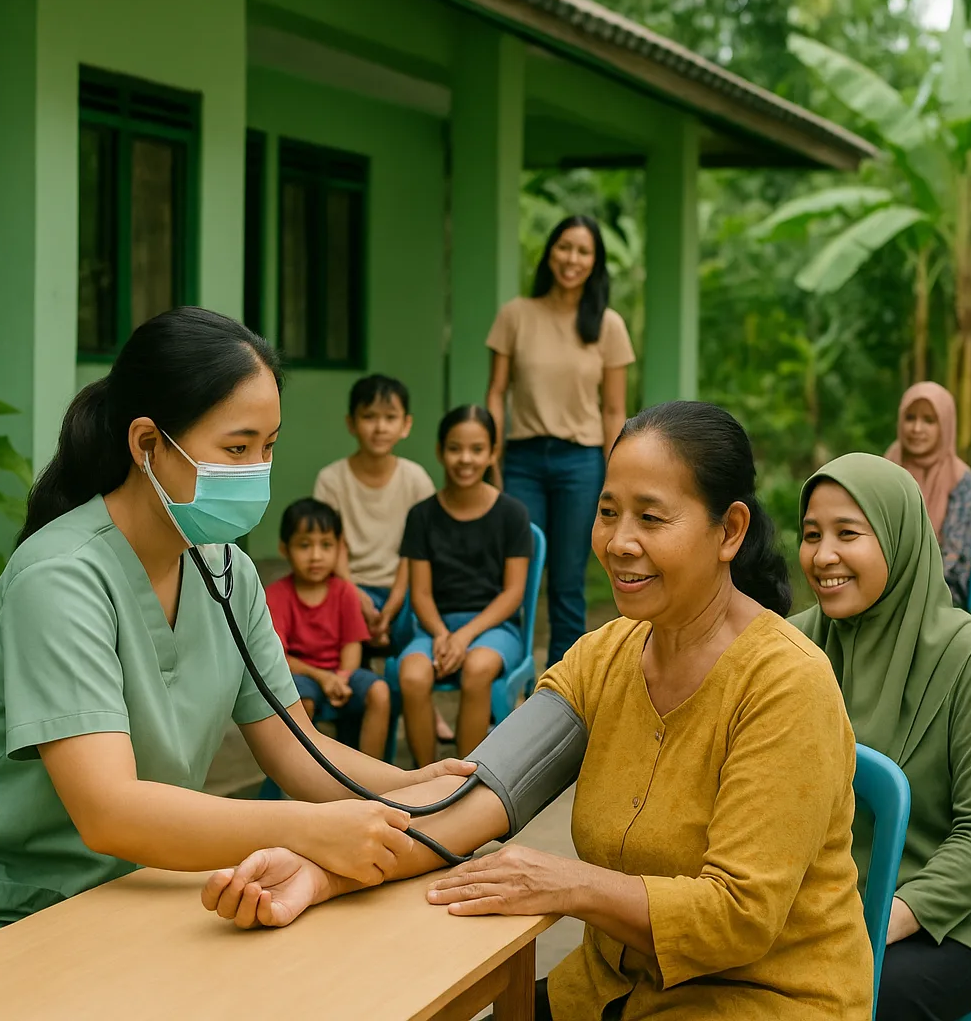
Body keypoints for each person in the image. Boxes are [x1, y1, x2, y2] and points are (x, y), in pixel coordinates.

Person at [200, 401, 873, 1021]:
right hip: (612, 991)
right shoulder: (602, 658)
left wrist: (571, 885)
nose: (618, 542)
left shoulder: (787, 684)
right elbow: (465, 803)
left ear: (729, 531)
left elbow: (740, 918)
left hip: (764, 1000)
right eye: (608, 512)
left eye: (651, 516)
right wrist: (320, 873)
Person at [0, 307, 472, 980]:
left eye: (268, 447)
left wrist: (421, 788)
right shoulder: (59, 580)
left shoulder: (225, 569)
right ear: (148, 443)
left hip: (118, 899)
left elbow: (301, 753)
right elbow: (109, 812)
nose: (257, 470)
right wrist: (303, 828)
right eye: (236, 449)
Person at [792, 452, 971, 1021]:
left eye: (849, 533)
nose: (824, 557)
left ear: (898, 539)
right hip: (811, 912)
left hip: (943, 926)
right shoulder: (794, 649)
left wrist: (876, 922)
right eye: (811, 534)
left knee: (840, 1005)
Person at [485, 215, 635, 669]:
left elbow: (613, 409)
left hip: (581, 463)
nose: (572, 259)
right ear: (550, 252)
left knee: (568, 581)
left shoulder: (608, 325)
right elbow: (496, 392)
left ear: (595, 263)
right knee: (519, 575)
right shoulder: (516, 315)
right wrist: (493, 456)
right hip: (524, 459)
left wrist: (618, 473)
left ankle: (563, 693)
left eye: (583, 251)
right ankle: (510, 677)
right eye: (564, 247)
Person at [312, 374, 453, 743]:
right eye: (369, 416)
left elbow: (414, 550)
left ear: (406, 425)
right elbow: (333, 546)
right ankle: (351, 712)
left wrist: (391, 602)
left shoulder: (415, 479)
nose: (379, 427)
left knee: (411, 618)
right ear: (351, 423)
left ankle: (414, 700)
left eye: (390, 418)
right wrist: (355, 594)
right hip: (346, 584)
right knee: (337, 614)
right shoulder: (332, 479)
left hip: (401, 587)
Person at [397, 405, 531, 764]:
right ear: (440, 451)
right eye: (455, 448)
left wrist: (466, 635)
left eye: (476, 449)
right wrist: (442, 633)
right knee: (411, 676)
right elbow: (420, 593)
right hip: (433, 627)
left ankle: (465, 779)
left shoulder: (512, 514)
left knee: (477, 669)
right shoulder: (422, 515)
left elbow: (513, 593)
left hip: (494, 627)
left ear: (492, 453)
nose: (465, 459)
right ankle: (424, 780)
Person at [265, 498, 391, 757]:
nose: (316, 556)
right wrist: (324, 678)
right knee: (300, 702)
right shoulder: (276, 595)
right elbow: (280, 658)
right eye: (304, 546)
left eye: (326, 545)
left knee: (379, 691)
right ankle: (303, 777)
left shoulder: (344, 592)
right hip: (301, 676)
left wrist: (342, 678)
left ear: (339, 549)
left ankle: (369, 779)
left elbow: (352, 646)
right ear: (284, 548)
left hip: (342, 674)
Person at [884, 381, 971, 608]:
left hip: (941, 587)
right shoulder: (885, 467)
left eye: (929, 420)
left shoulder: (961, 479)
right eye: (910, 418)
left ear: (945, 425)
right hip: (882, 581)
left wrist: (910, 587)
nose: (917, 429)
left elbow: (953, 554)